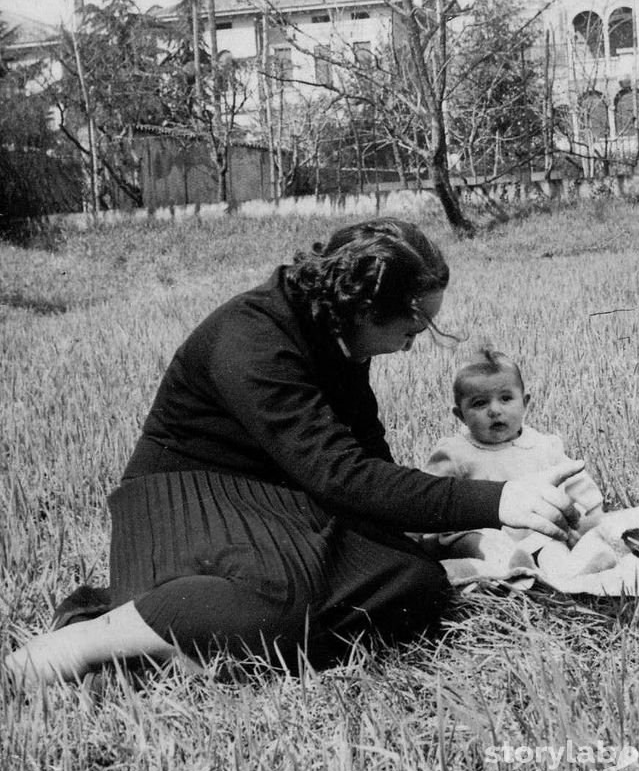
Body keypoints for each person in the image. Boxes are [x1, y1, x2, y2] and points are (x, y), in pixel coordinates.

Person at [5, 221, 583, 686]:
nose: (413, 343)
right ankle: (89, 635)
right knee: (282, 600)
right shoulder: (251, 338)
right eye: (414, 326)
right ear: (361, 310)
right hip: (187, 493)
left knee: (416, 584)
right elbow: (340, 475)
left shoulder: (338, 334)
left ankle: (183, 650)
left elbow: (368, 464)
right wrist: (497, 498)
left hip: (277, 497)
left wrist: (456, 529)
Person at [425, 347, 604, 546]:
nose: (494, 410)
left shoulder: (544, 446)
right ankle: (510, 567)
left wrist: (594, 512)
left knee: (571, 536)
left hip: (540, 534)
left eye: (506, 398)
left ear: (525, 403)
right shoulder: (455, 454)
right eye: (480, 403)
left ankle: (570, 562)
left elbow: (577, 484)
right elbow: (429, 499)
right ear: (461, 415)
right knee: (475, 542)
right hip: (486, 538)